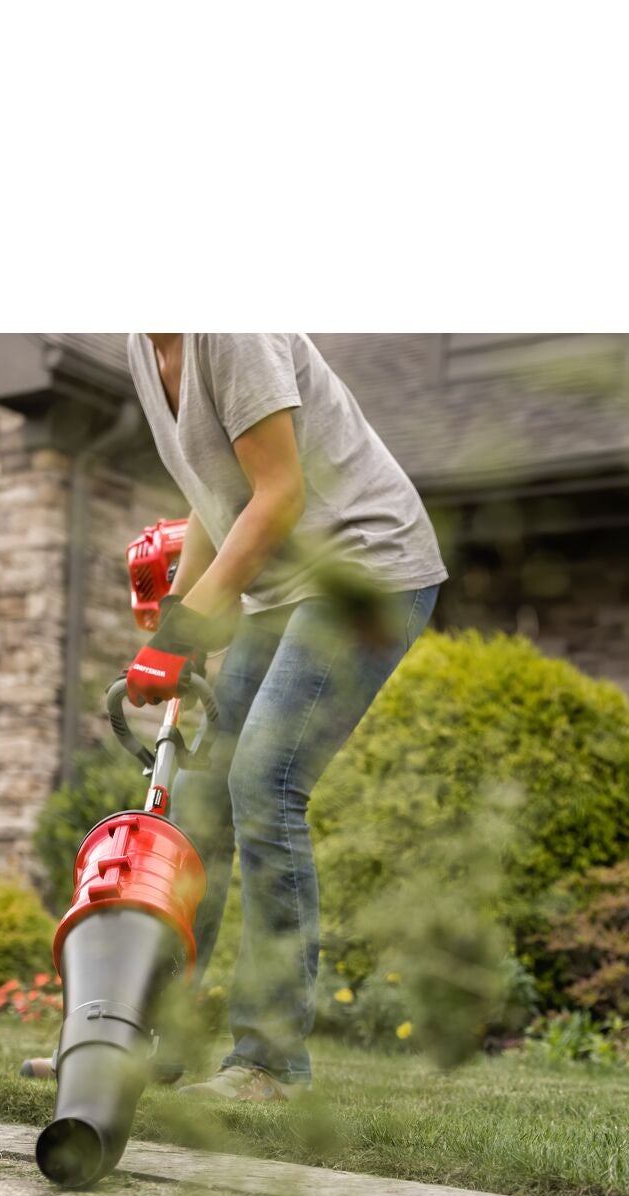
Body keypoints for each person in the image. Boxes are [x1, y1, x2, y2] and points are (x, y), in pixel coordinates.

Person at [125, 333, 445, 1099]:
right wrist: (188, 623)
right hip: (280, 593)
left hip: (363, 567)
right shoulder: (144, 344)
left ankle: (271, 1063)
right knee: (198, 806)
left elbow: (279, 493)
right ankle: (153, 1044)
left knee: (265, 783)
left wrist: (186, 632)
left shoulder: (230, 328)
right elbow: (218, 499)